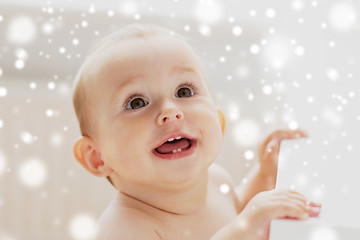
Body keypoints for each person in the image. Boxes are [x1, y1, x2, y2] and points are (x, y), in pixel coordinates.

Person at [72, 24, 321, 240]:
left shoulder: (216, 179)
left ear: (219, 123)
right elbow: (241, 225)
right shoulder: (124, 228)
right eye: (137, 102)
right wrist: (244, 228)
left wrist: (265, 174)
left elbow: (237, 211)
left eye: (184, 92)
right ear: (97, 156)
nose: (171, 111)